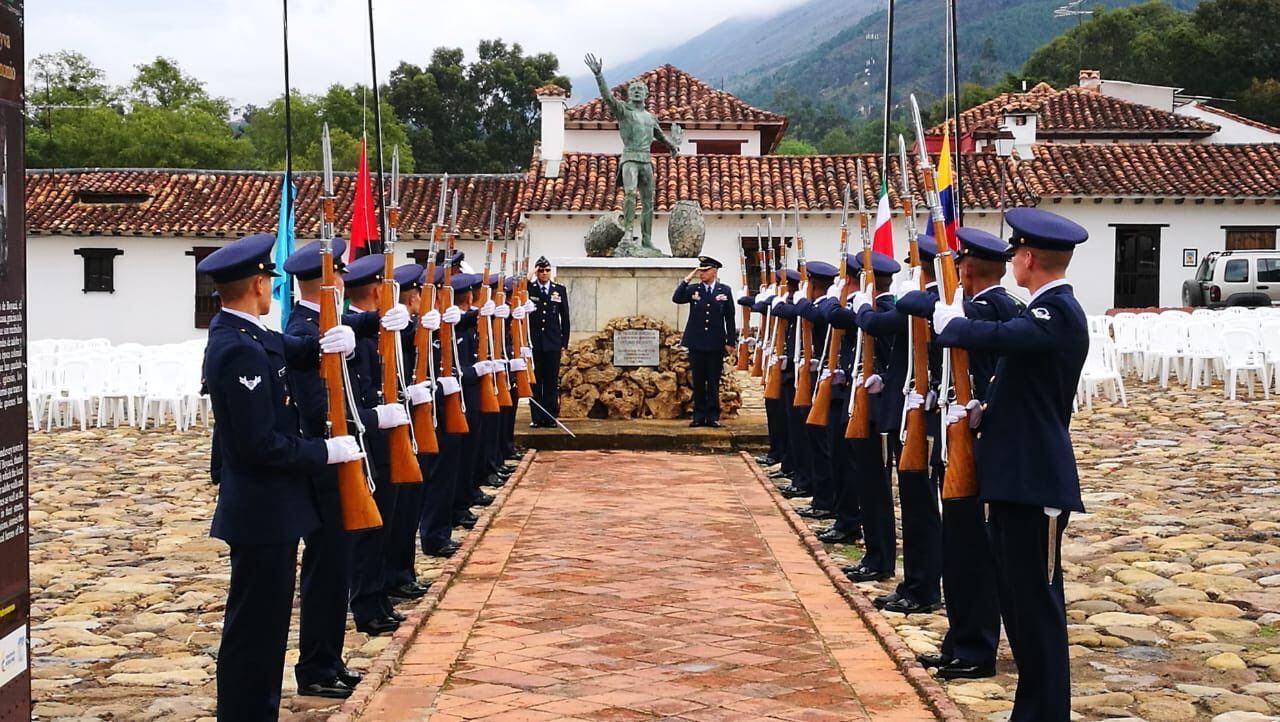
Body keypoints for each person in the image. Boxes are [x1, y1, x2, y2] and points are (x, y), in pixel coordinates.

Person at [932, 208, 1089, 721]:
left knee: (1037, 610)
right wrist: (985, 412)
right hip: (1014, 479)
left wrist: (953, 323)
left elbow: (1004, 339)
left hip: (1034, 482)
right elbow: (1021, 386)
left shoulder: (1058, 311)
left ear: (1025, 258)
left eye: (1016, 251)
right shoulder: (1038, 312)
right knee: (1020, 609)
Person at [199, 233, 361, 720]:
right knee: (255, 627)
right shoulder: (236, 348)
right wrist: (322, 451)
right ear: (256, 285)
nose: (272, 288)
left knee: (267, 624)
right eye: (268, 281)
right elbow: (257, 445)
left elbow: (299, 349)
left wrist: (344, 339)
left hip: (274, 509)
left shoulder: (253, 334)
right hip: (260, 509)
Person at [280, 239, 386, 699]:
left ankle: (330, 658)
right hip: (325, 458)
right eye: (338, 276)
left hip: (345, 449)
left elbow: (361, 323)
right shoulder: (304, 326)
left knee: (337, 564)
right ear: (328, 282)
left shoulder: (331, 321)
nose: (344, 282)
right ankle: (316, 667)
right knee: (325, 567)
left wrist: (382, 319)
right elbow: (312, 387)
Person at [342, 253, 412, 637]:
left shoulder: (373, 330)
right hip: (369, 439)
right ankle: (367, 601)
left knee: (385, 523)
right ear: (375, 291)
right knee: (370, 529)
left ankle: (379, 593)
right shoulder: (353, 330)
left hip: (385, 437)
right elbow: (359, 389)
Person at [823, 251, 903, 578]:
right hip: (864, 407)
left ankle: (880, 558)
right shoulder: (870, 310)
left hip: (876, 412)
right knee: (867, 486)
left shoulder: (883, 311)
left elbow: (841, 317)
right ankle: (874, 555)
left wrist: (847, 301)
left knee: (875, 489)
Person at [672, 256, 737, 427]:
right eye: (700, 270)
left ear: (714, 271)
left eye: (705, 270)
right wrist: (687, 278)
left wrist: (731, 342)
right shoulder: (695, 289)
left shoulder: (724, 291)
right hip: (697, 343)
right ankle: (698, 415)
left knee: (713, 381)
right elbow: (677, 298)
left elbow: (730, 318)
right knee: (699, 381)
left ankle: (713, 416)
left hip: (715, 343)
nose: (702, 274)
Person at [527, 257, 569, 428]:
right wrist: (529, 275)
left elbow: (565, 318)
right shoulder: (530, 289)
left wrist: (564, 343)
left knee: (551, 381)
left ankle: (550, 416)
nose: (544, 274)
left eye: (547, 270)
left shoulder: (559, 290)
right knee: (536, 381)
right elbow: (518, 290)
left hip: (552, 343)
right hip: (535, 344)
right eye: (540, 271)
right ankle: (536, 417)